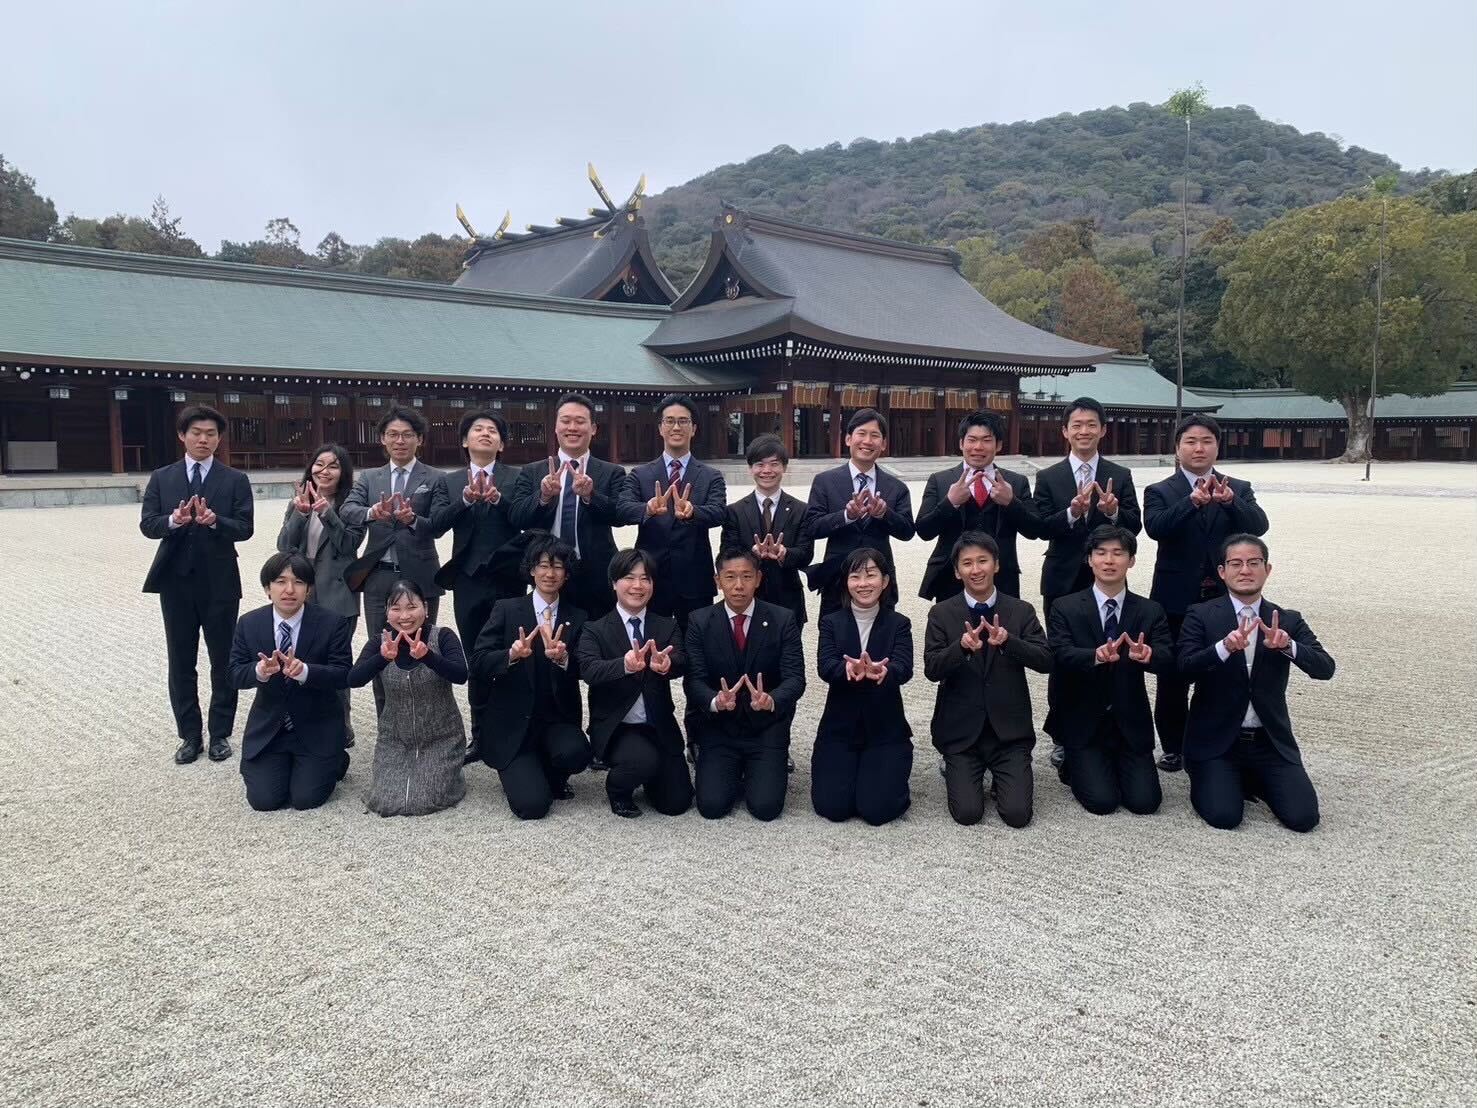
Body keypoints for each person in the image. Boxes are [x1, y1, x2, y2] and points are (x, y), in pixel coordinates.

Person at [1178, 535, 1335, 832]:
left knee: (1303, 819)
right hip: (1217, 741)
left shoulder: (1287, 619)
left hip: (1269, 742)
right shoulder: (1200, 615)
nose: (1245, 570)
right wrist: (1223, 648)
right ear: (1222, 571)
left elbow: (1325, 669)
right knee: (1224, 817)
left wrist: (1289, 645)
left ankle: (1256, 779)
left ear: (1267, 569)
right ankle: (1222, 776)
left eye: (1254, 563)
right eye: (1235, 563)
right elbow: (1183, 669)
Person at [1144, 414, 1271, 773]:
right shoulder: (1160, 491)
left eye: (1206, 441)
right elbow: (1155, 528)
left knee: (1222, 673)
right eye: (1191, 442)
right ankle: (1173, 746)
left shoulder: (1238, 487)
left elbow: (1259, 526)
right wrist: (1192, 503)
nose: (1199, 448)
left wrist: (1230, 502)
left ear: (1218, 446)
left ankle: (1217, 740)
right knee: (1172, 677)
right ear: (1177, 447)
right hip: (1174, 598)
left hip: (1222, 600)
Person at [140, 404, 255, 765]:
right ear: (182, 435)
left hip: (219, 581)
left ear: (219, 438)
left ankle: (220, 733)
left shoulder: (234, 479)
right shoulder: (162, 477)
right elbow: (148, 524)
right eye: (196, 433)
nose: (203, 439)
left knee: (223, 659)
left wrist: (214, 520)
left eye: (210, 434)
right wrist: (173, 521)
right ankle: (190, 734)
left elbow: (246, 528)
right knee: (181, 659)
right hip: (175, 581)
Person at [1030, 397, 1141, 771]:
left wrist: (1112, 511)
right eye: (1076, 425)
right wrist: (1072, 513)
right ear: (1065, 431)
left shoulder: (1120, 474)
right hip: (1062, 578)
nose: (1084, 431)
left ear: (1103, 429)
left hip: (1108, 578)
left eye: (1091, 424)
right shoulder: (1048, 477)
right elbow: (1039, 526)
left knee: (1111, 651)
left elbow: (1134, 526)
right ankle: (1062, 734)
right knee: (1064, 656)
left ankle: (1109, 725)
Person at [923, 532, 1052, 828]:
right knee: (968, 813)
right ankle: (956, 768)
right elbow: (932, 669)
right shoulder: (941, 613)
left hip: (1009, 732)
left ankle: (1005, 775)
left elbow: (1046, 661)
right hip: (961, 733)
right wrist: (961, 648)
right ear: (957, 571)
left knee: (1018, 815)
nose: (975, 569)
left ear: (996, 565)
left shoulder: (1020, 610)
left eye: (983, 560)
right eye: (967, 563)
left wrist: (1009, 642)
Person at [1046, 526, 1174, 816]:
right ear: (1089, 560)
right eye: (1101, 553)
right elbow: (1057, 653)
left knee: (1145, 803)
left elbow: (1169, 658)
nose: (1109, 560)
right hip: (1083, 720)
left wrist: (1149, 656)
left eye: (1118, 553)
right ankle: (1074, 763)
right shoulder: (1065, 606)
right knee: (1102, 802)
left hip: (1130, 720)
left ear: (1131, 561)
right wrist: (1094, 656)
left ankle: (1114, 764)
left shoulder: (1150, 610)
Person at [470, 532, 592, 820]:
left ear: (567, 574)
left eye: (558, 566)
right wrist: (510, 655)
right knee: (532, 806)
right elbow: (477, 662)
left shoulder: (578, 616)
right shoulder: (507, 609)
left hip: (556, 720)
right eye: (543, 565)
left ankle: (547, 769)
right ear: (531, 569)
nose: (550, 573)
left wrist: (563, 658)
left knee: (577, 754)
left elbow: (587, 670)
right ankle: (522, 768)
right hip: (513, 723)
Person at [429, 409, 523, 763]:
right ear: (464, 441)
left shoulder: (517, 478)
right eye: (477, 430)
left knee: (513, 651)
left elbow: (528, 517)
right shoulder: (449, 482)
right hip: (468, 580)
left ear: (501, 443)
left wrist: (500, 499)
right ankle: (480, 735)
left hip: (508, 578)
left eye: (493, 431)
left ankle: (511, 730)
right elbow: (435, 524)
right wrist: (466, 500)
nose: (485, 434)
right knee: (475, 655)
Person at [685, 549, 806, 821]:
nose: (738, 586)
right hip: (720, 728)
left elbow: (796, 678)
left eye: (746, 577)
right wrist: (715, 701)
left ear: (759, 578)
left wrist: (772, 699)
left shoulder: (782, 619)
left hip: (765, 727)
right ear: (717, 580)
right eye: (730, 577)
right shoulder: (699, 621)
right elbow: (694, 681)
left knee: (765, 808)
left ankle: (757, 768)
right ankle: (729, 768)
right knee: (712, 806)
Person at [228, 553, 352, 812]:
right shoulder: (249, 623)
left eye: (298, 582)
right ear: (267, 588)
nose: (289, 590)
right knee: (265, 801)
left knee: (305, 799)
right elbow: (233, 674)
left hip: (316, 724)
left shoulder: (332, 623)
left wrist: (306, 671)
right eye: (280, 581)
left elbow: (343, 674)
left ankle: (335, 758)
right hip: (270, 727)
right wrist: (259, 670)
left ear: (308, 589)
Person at [574, 549, 693, 818]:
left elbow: (682, 659)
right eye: (629, 578)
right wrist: (624, 665)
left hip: (658, 724)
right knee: (641, 761)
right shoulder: (595, 629)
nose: (638, 586)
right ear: (614, 582)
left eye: (645, 579)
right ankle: (618, 789)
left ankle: (651, 776)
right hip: (618, 726)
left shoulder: (666, 625)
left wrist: (668, 665)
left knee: (676, 803)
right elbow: (589, 670)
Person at [348, 579, 469, 817]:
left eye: (412, 607)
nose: (405, 615)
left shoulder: (442, 636)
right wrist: (382, 658)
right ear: (386, 612)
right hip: (395, 738)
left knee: (424, 799)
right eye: (396, 608)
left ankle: (452, 773)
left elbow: (461, 675)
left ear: (425, 607)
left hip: (441, 737)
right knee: (387, 801)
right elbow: (354, 679)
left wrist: (428, 657)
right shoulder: (380, 642)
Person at [811, 548, 914, 826]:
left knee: (876, 811)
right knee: (833, 808)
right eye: (855, 576)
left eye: (871, 575)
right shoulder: (831, 622)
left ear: (885, 581)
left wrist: (884, 671)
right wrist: (847, 669)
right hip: (840, 726)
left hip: (884, 726)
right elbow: (825, 666)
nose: (863, 584)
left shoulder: (899, 624)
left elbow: (904, 668)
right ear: (846, 582)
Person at [277, 443, 364, 746]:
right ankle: (305, 721)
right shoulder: (298, 500)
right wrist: (300, 514)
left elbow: (349, 545)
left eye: (333, 465)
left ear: (344, 472)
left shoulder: (351, 504)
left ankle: (342, 725)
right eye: (319, 464)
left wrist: (327, 513)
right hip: (302, 589)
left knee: (335, 662)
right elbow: (284, 547)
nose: (324, 471)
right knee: (299, 657)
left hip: (338, 593)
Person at [509, 392, 626, 619]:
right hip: (548, 571)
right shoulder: (533, 471)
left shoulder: (612, 472)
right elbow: (517, 517)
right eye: (565, 421)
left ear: (593, 428)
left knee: (594, 640)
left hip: (595, 572)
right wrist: (542, 497)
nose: (572, 427)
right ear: (555, 427)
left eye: (580, 421)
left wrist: (591, 496)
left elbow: (620, 515)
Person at [618, 394, 727, 631]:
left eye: (683, 421)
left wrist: (693, 511)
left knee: (698, 647)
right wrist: (646, 508)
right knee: (653, 646)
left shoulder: (711, 476)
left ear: (694, 428)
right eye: (669, 421)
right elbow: (623, 508)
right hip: (650, 577)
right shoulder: (640, 474)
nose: (676, 427)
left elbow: (719, 512)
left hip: (695, 577)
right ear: (660, 428)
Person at [341, 405, 449, 638]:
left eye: (407, 434)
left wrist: (412, 520)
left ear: (419, 439)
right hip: (378, 575)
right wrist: (372, 512)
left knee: (422, 643)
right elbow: (347, 510)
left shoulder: (436, 478)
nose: (400, 441)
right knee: (378, 646)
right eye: (393, 434)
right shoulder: (369, 477)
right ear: (382, 439)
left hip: (421, 572)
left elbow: (439, 525)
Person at [916, 410, 1038, 603]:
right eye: (972, 440)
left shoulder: (1016, 482)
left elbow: (1034, 531)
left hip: (1002, 578)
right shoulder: (940, 481)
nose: (978, 447)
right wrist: (950, 502)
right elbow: (924, 530)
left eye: (986, 440)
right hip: (951, 578)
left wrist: (1011, 502)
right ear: (961, 443)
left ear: (998, 445)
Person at [802, 408, 915, 614]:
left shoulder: (896, 487)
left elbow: (908, 531)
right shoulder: (825, 481)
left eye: (875, 435)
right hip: (837, 578)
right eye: (861, 434)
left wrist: (884, 515)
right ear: (848, 439)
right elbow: (811, 527)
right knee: (834, 640)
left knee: (882, 639)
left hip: (879, 579)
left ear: (883, 444)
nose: (867, 441)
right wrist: (846, 516)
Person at [719, 433, 813, 630]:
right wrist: (751, 554)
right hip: (746, 598)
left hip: (788, 597)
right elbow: (726, 553)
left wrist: (785, 553)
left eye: (774, 464)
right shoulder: (734, 511)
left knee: (789, 657)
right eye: (760, 464)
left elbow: (806, 553)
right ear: (750, 468)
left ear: (784, 467)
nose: (767, 471)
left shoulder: (801, 510)